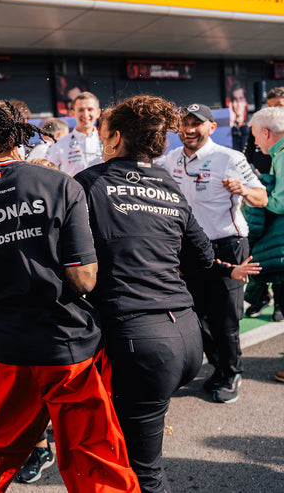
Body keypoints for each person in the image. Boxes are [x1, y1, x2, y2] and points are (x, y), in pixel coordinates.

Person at [0, 99, 139, 493]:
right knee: (93, 455)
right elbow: (83, 279)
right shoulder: (59, 184)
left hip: (5, 344)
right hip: (64, 344)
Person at [76, 95, 260, 492]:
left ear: (117, 138)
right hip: (185, 336)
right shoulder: (166, 181)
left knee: (141, 470)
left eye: (105, 133)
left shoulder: (89, 182)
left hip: (138, 341)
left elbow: (68, 260)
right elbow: (201, 255)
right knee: (126, 454)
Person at [158, 102, 267, 403]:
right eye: (185, 124)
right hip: (189, 249)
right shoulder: (170, 159)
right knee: (194, 315)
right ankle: (219, 367)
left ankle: (231, 372)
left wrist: (243, 190)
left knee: (226, 319)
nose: (189, 130)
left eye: (197, 124)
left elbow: (262, 197)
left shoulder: (229, 158)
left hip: (228, 245)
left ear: (211, 127)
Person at [244, 107, 284, 382]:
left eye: (256, 137)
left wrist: (257, 193)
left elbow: (281, 202)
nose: (256, 143)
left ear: (267, 133)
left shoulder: (282, 155)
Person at [46, 91, 103, 175]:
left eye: (90, 109)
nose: (85, 114)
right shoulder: (59, 144)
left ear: (98, 113)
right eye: (81, 110)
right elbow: (50, 175)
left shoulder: (106, 141)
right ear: (73, 113)